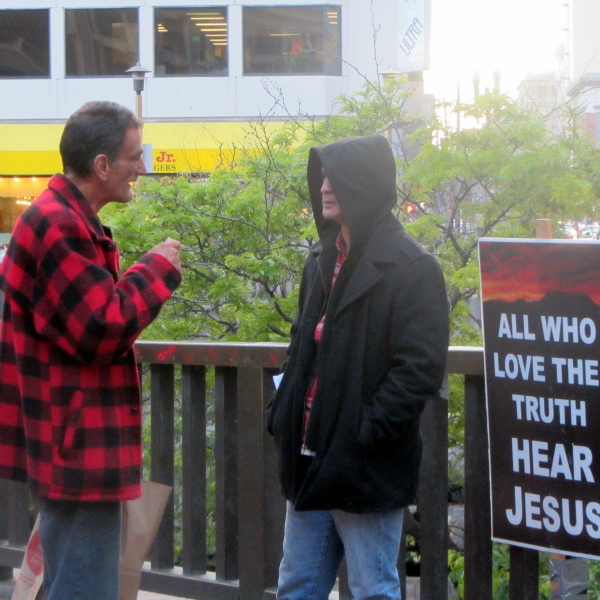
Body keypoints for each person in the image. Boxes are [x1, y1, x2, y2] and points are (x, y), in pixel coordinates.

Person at [0, 101, 182, 600]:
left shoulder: (57, 217)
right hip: (76, 448)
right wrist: (157, 268)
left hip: (67, 441)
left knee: (71, 583)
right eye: (135, 156)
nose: (142, 168)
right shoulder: (59, 225)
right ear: (102, 166)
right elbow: (103, 326)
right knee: (84, 589)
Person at [267, 135, 450, 600]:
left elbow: (420, 370)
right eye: (322, 176)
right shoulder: (320, 259)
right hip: (308, 458)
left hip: (364, 465)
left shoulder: (413, 268)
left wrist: (362, 431)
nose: (324, 187)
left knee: (372, 590)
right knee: (296, 587)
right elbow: (299, 344)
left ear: (363, 184)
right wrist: (282, 411)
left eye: (336, 177)